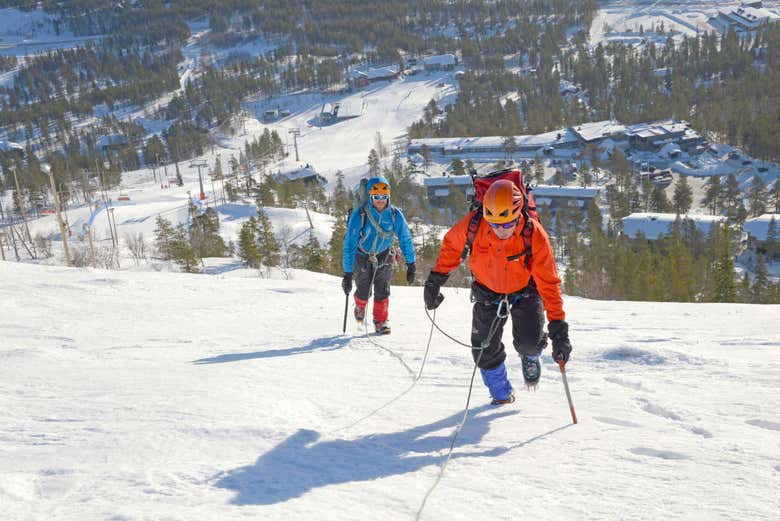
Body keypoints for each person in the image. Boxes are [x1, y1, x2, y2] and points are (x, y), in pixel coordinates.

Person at [423, 179, 572, 404]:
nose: (500, 230)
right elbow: (451, 246)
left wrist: (559, 330)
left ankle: (530, 356)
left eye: (506, 223)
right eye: (493, 224)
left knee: (529, 342)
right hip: (487, 291)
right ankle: (501, 392)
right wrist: (435, 280)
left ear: (517, 214)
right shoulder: (475, 223)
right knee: (483, 349)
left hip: (525, 290)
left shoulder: (534, 234)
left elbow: (549, 284)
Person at [342, 176, 416, 334]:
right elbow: (349, 245)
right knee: (364, 290)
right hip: (362, 256)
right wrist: (347, 273)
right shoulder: (360, 215)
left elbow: (405, 238)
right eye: (376, 197)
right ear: (370, 197)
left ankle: (381, 321)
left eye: (384, 196)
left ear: (388, 196)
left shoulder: (395, 215)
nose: (380, 200)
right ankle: (360, 305)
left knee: (383, 289)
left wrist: (411, 263)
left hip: (384, 255)